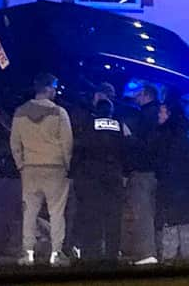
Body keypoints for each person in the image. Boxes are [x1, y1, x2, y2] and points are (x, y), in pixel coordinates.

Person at [10, 73, 74, 267]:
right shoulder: (59, 113)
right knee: (56, 212)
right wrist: (66, 165)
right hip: (55, 168)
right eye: (54, 87)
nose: (56, 91)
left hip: (30, 169)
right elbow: (67, 143)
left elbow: (14, 143)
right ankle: (56, 254)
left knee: (29, 212)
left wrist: (21, 164)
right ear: (47, 89)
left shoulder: (20, 112)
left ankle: (27, 253)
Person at [71, 98, 129, 263]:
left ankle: (91, 254)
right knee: (113, 217)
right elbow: (125, 150)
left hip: (92, 176)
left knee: (93, 215)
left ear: (97, 111)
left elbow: (81, 149)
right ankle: (112, 254)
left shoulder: (89, 124)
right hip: (114, 175)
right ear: (111, 111)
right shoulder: (119, 125)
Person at [152, 101, 189, 261]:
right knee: (186, 229)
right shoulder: (185, 133)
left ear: (170, 114)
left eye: (162, 112)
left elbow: (164, 165)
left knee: (172, 229)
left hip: (174, 193)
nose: (158, 115)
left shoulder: (168, 136)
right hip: (186, 194)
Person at [125, 83, 160, 265]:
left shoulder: (145, 116)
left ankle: (146, 255)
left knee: (142, 214)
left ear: (146, 95)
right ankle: (154, 251)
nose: (136, 99)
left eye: (138, 95)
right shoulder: (160, 115)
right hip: (157, 173)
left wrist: (129, 137)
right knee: (152, 213)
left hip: (143, 171)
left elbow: (142, 146)